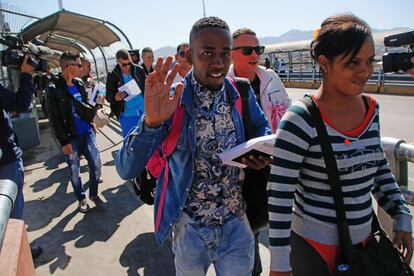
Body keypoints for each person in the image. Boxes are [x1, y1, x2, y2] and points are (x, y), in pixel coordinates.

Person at [116, 16, 272, 275]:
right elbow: (125, 168)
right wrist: (151, 122)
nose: (218, 63)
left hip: (237, 226)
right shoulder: (172, 99)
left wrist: (261, 154)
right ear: (189, 55)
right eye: (207, 53)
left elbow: (262, 130)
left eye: (224, 53)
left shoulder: (241, 92)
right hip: (190, 231)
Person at [268, 14, 413, 276]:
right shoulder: (300, 120)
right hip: (314, 251)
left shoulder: (371, 110)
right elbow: (280, 198)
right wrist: (280, 265)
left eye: (369, 60)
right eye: (353, 62)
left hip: (364, 246)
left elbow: (378, 168)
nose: (365, 71)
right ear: (325, 63)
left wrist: (402, 217)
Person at [228, 27, 291, 276]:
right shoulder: (223, 84)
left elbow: (287, 112)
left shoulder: (272, 79)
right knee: (249, 232)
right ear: (231, 54)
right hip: (242, 173)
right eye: (247, 50)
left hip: (276, 165)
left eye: (258, 49)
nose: (254, 54)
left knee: (280, 226)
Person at [46, 51, 104, 213]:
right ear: (69, 67)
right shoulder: (53, 89)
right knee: (74, 169)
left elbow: (86, 105)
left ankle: (93, 194)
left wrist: (96, 105)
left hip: (87, 131)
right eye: (79, 65)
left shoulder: (79, 83)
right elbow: (54, 118)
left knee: (95, 163)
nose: (81, 68)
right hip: (71, 137)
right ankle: (81, 198)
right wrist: (63, 141)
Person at [0, 55, 42, 258]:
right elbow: (21, 103)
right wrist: (26, 74)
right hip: (6, 162)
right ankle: (18, 254)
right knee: (12, 210)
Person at [106, 49, 146, 137]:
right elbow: (108, 97)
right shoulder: (112, 75)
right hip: (127, 115)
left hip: (144, 112)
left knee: (147, 140)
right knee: (130, 143)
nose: (127, 66)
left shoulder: (139, 70)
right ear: (117, 62)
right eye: (124, 65)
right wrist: (116, 97)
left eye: (129, 63)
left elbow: (147, 88)